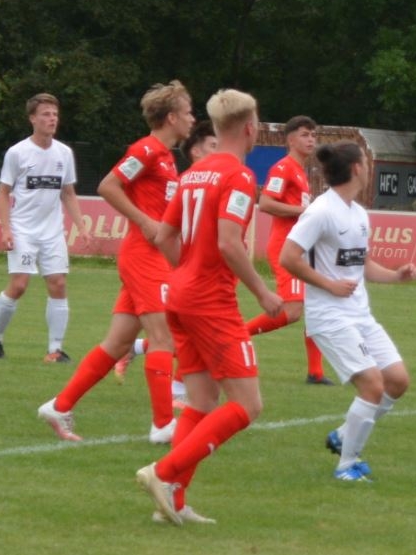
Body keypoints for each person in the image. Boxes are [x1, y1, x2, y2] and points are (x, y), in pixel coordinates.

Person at [136, 89, 283, 526]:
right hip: (210, 302)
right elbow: (228, 243)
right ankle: (161, 473)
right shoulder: (238, 177)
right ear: (250, 128)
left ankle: (174, 503)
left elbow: (163, 236)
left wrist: (187, 271)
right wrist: (262, 292)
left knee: (200, 399)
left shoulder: (193, 174)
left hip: (178, 295)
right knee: (248, 405)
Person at [37, 81, 194, 444]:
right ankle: (162, 424)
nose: (192, 118)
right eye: (188, 112)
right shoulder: (147, 149)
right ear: (171, 117)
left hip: (149, 257)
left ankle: (59, 406)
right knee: (163, 337)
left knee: (117, 344)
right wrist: (144, 221)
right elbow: (109, 185)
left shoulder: (167, 157)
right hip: (143, 256)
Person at [279, 141, 416, 482]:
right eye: (366, 164)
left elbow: (362, 265)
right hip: (330, 317)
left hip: (360, 314)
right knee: (372, 385)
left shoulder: (358, 213)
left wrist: (396, 275)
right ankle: (347, 464)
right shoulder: (321, 211)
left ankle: (343, 434)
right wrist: (328, 285)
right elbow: (288, 258)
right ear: (357, 168)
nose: (369, 169)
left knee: (397, 380)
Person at [115, 118, 218, 400]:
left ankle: (62, 405)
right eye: (213, 145)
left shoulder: (172, 166)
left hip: (193, 264)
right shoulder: (177, 173)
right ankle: (170, 404)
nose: (219, 151)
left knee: (186, 330)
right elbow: (112, 186)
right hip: (168, 262)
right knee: (184, 331)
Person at [0, 93, 92, 361]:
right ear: (32, 118)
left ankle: (54, 350)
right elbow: (3, 192)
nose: (52, 119)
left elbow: (67, 192)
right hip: (23, 230)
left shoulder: (64, 153)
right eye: (46, 114)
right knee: (19, 285)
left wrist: (81, 225)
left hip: (52, 231)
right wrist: (6, 229)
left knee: (58, 283)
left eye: (55, 114)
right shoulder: (17, 152)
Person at [246, 115, 332, 385]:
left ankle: (316, 372)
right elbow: (266, 203)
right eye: (305, 135)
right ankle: (235, 334)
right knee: (292, 312)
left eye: (313, 135)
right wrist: (304, 211)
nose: (311, 140)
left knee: (316, 307)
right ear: (291, 139)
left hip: (301, 249)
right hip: (286, 249)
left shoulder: (300, 171)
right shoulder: (283, 168)